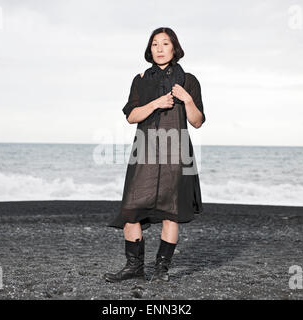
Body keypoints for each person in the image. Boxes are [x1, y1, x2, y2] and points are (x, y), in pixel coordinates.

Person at [105, 27, 206, 283]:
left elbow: (197, 122)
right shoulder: (140, 79)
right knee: (130, 210)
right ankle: (134, 267)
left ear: (175, 48)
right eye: (154, 44)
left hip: (176, 152)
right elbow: (131, 117)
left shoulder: (189, 80)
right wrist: (156, 103)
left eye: (165, 43)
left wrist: (187, 100)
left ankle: (161, 269)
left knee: (172, 212)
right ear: (149, 50)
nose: (159, 49)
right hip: (145, 152)